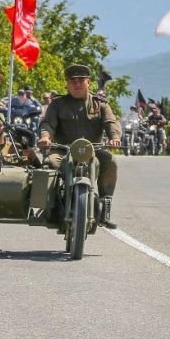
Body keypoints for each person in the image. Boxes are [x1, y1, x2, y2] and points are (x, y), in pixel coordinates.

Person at [38, 64, 122, 228]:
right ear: (67, 84)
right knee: (50, 164)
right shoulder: (57, 104)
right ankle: (50, 208)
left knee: (110, 161)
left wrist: (114, 137)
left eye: (81, 80)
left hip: (93, 150)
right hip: (63, 149)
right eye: (72, 81)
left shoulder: (100, 104)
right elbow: (48, 124)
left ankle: (105, 208)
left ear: (88, 82)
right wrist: (45, 137)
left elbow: (111, 122)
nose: (76, 84)